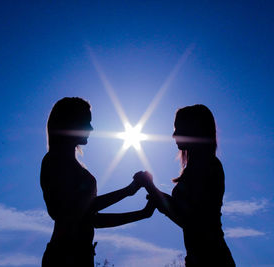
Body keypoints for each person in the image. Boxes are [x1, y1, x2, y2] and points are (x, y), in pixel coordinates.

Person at [41, 97, 155, 267]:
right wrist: (128, 191)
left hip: (80, 256)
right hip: (64, 257)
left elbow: (90, 219)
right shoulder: (54, 161)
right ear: (72, 123)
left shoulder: (67, 164)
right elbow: (74, 212)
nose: (91, 128)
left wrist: (142, 213)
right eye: (86, 122)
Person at [134, 104, 235, 266]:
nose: (174, 135)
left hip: (211, 259)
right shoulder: (199, 167)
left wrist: (153, 190)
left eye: (179, 128)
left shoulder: (209, 167)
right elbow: (188, 215)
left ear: (194, 130)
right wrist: (157, 195)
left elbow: (193, 221)